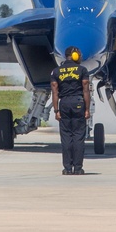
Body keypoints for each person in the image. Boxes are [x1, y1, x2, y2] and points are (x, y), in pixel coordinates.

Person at [50, 46, 91, 175]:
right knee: (78, 136)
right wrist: (87, 109)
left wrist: (56, 110)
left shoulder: (56, 72)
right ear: (75, 56)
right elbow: (86, 90)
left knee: (66, 137)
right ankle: (78, 168)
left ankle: (67, 168)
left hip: (64, 104)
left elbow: (55, 92)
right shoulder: (82, 70)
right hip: (78, 103)